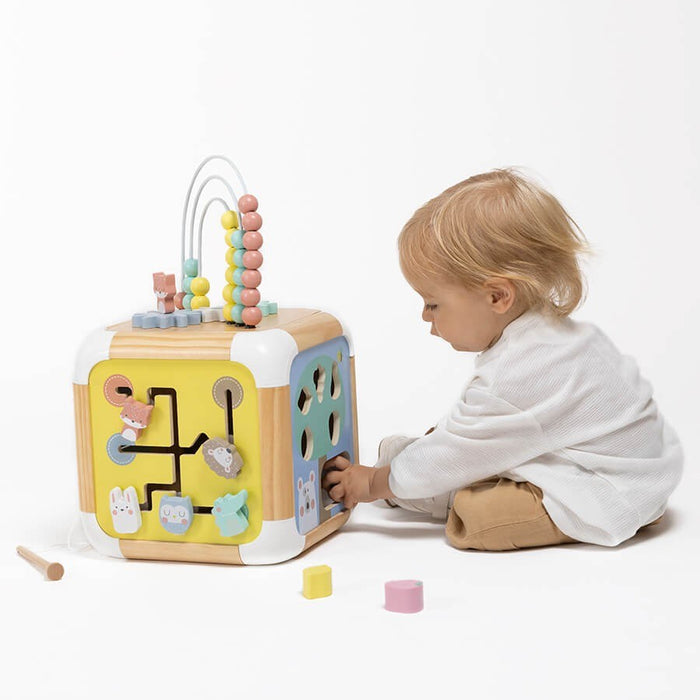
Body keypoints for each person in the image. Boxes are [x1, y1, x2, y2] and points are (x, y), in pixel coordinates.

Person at [323, 169, 683, 550]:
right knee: (442, 448)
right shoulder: (542, 333)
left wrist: (373, 483)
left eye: (433, 303)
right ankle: (416, 476)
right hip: (617, 463)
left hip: (609, 489)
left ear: (497, 297)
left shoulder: (519, 372)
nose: (425, 316)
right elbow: (475, 435)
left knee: (475, 515)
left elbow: (457, 449)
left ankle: (430, 485)